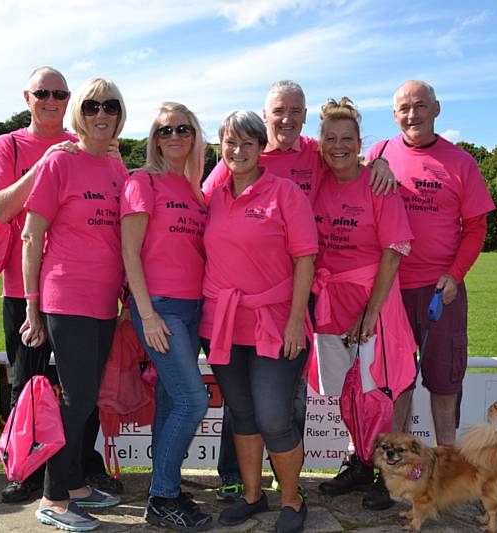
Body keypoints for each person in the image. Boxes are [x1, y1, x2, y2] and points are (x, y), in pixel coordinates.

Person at [203, 80, 397, 500]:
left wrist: (380, 161)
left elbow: (348, 152)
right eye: (279, 111)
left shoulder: (314, 151)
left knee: (287, 395)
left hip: (302, 288)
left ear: (305, 116)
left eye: (295, 111)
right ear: (265, 115)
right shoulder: (244, 149)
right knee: (240, 394)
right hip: (244, 295)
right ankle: (233, 474)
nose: (287, 119)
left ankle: (284, 474)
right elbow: (205, 201)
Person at [0, 66, 121, 503]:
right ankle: (28, 472)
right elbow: (0, 210)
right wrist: (46, 162)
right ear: (28, 96)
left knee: (82, 390)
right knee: (27, 386)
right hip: (26, 290)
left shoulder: (94, 149)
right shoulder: (10, 145)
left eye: (60, 93)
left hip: (85, 292)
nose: (52, 100)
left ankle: (77, 471)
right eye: (43, 93)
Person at [363, 80, 495, 509]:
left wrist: (455, 275)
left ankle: (448, 472)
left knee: (443, 383)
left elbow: (476, 228)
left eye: (421, 105)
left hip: (442, 291)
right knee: (395, 383)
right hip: (390, 290)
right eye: (404, 107)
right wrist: (373, 166)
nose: (412, 113)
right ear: (394, 114)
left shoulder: (460, 162)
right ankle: (390, 478)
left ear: (437, 108)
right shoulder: (379, 153)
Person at [200, 110, 318, 533]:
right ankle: (252, 494)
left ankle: (291, 499)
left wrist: (293, 322)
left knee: (273, 416)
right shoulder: (213, 194)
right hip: (223, 325)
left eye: (248, 143)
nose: (238, 150)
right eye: (230, 142)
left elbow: (306, 258)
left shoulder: (284, 192)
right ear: (221, 146)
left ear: (260, 147)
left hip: (275, 323)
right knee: (243, 412)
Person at [22, 78, 128, 531]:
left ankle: (77, 484)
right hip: (67, 297)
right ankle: (53, 495)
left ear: (120, 114)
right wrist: (31, 305)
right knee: (77, 397)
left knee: (86, 400)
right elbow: (32, 235)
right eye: (91, 106)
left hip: (106, 302)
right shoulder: (59, 162)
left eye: (110, 106)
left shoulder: (118, 167)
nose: (100, 114)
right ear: (78, 114)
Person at [313, 98, 417, 505]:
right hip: (331, 300)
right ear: (320, 142)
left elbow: (394, 249)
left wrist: (371, 312)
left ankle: (388, 476)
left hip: (374, 302)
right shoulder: (319, 179)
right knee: (347, 392)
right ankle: (360, 461)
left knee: (379, 392)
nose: (338, 146)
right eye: (329, 138)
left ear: (361, 143)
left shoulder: (377, 183)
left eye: (347, 138)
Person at [120, 102, 212, 532]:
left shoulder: (196, 190)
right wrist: (147, 314)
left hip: (193, 309)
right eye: (164, 131)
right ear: (154, 139)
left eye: (182, 129)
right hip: (159, 307)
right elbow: (129, 251)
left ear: (195, 135)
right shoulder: (143, 182)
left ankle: (166, 485)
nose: (174, 136)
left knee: (173, 401)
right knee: (194, 401)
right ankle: (162, 498)